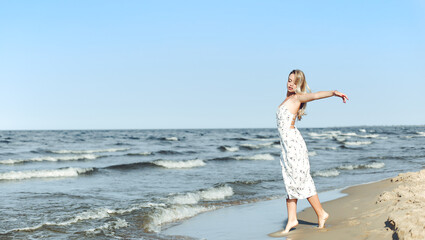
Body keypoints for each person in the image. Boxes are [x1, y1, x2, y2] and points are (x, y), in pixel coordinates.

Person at [270, 69, 348, 237]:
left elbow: (315, 96)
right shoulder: (288, 98)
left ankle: (321, 213)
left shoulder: (297, 97)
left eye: (294, 81)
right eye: (289, 80)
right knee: (290, 180)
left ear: (299, 84)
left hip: (293, 145)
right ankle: (292, 219)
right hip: (286, 146)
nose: (290, 83)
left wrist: (334, 93)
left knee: (301, 179)